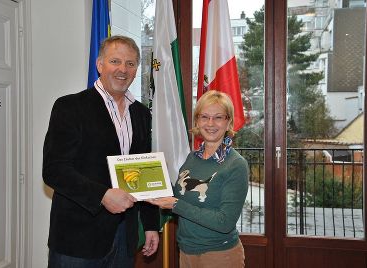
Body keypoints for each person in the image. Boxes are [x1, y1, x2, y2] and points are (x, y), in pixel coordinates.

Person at [42, 35, 160, 268]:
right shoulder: (70, 107)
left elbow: (144, 173)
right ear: (99, 65)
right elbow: (54, 170)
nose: (122, 70)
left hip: (124, 237)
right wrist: (102, 195)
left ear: (137, 68)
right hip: (77, 240)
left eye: (130, 63)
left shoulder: (142, 114)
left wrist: (150, 225)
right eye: (115, 61)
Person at [148, 90, 249, 267]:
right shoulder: (192, 158)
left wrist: (175, 204)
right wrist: (151, 183)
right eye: (204, 117)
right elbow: (182, 195)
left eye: (218, 117)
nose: (210, 123)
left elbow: (224, 222)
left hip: (219, 255)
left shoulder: (236, 165)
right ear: (197, 121)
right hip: (186, 251)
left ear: (229, 122)